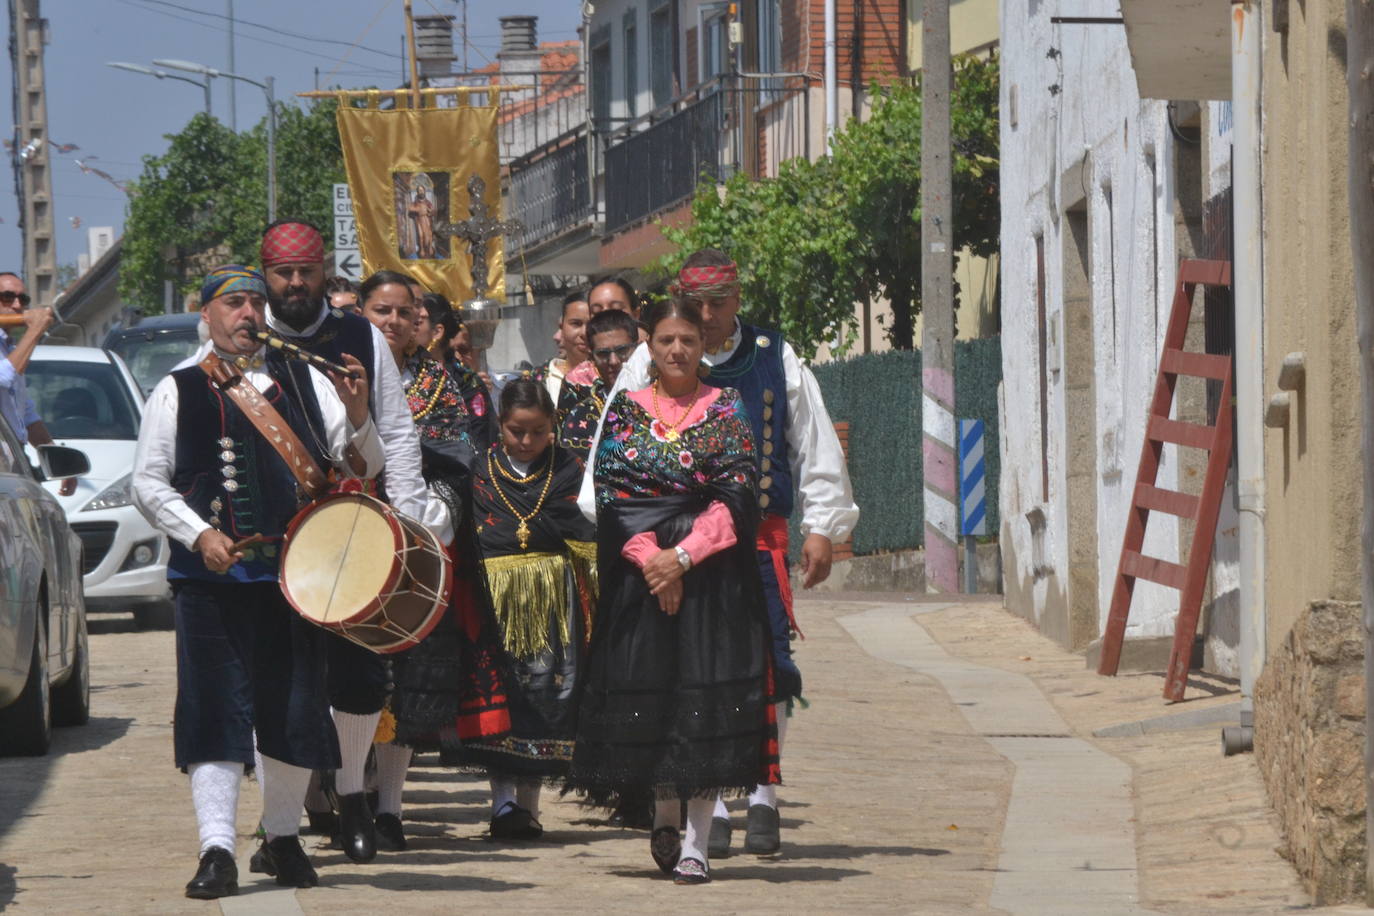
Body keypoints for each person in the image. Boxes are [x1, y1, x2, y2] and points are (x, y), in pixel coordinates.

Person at [580, 249, 859, 857]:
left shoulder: (773, 354)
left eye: (718, 303)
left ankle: (763, 793)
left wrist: (823, 525)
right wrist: (657, 556)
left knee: (768, 663)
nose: (705, 317)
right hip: (654, 553)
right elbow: (609, 471)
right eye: (694, 305)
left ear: (739, 296)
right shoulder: (641, 367)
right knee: (684, 674)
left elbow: (809, 440)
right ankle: (715, 805)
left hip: (753, 540)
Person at [131, 265, 384, 899]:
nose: (249, 314)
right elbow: (147, 482)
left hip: (292, 578)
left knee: (295, 708)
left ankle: (283, 836)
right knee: (213, 709)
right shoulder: (178, 389)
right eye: (235, 303)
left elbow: (361, 466)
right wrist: (200, 535)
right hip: (208, 581)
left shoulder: (304, 385)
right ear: (208, 315)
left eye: (256, 304)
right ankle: (216, 848)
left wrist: (358, 416)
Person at [568, 297, 777, 885]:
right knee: (655, 696)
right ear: (648, 346)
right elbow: (612, 497)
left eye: (687, 339)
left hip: (711, 584)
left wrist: (683, 557)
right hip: (640, 581)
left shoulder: (726, 408)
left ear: (701, 345)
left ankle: (696, 842)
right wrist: (653, 562)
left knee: (702, 702)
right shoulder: (628, 410)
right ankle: (662, 808)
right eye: (665, 340)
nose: (677, 350)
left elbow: (737, 496)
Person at [254, 220, 439, 865]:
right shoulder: (248, 340)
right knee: (280, 679)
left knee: (360, 673)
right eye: (284, 272)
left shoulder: (359, 334)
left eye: (306, 270)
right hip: (275, 532)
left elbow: (397, 429)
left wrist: (408, 520)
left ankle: (355, 796)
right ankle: (277, 821)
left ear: (322, 269)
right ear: (266, 274)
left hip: (356, 521)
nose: (296, 283)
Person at [355, 269, 501, 851]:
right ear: (360, 313)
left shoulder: (439, 384)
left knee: (408, 680)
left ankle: (389, 806)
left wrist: (428, 519)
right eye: (380, 310)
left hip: (416, 548)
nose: (393, 321)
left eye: (403, 311)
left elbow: (455, 462)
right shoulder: (331, 372)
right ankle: (335, 793)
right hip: (344, 541)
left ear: (420, 322)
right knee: (341, 675)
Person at [454, 377, 597, 840]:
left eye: (538, 430)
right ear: (500, 424)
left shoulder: (571, 469)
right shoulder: (478, 469)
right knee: (501, 700)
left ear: (552, 424)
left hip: (553, 603)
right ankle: (502, 804)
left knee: (542, 698)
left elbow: (588, 531)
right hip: (493, 602)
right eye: (517, 430)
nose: (528, 441)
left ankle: (530, 809)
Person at [559, 308, 638, 463]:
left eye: (622, 350)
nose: (614, 361)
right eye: (603, 354)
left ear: (639, 348)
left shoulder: (665, 398)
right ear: (592, 356)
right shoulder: (582, 416)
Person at [532, 291, 596, 421]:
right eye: (576, 324)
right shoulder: (539, 379)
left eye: (592, 324)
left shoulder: (614, 377)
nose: (584, 333)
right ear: (562, 327)